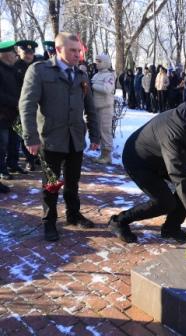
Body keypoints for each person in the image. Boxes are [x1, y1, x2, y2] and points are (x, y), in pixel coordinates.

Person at [19, 32, 100, 242]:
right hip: (50, 138)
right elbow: (26, 105)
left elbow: (91, 108)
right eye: (72, 50)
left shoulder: (81, 75)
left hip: (75, 138)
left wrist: (95, 134)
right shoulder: (39, 71)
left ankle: (73, 214)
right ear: (58, 49)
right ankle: (49, 221)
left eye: (79, 50)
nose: (77, 54)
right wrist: (31, 137)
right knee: (51, 184)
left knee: (73, 182)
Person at [108, 104, 186, 243]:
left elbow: (182, 172)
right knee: (165, 202)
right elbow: (179, 177)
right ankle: (119, 221)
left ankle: (171, 228)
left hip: (160, 155)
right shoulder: (175, 135)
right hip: (138, 160)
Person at [14, 40, 39, 172]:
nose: (28, 55)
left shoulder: (38, 67)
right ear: (19, 52)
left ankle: (33, 159)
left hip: (36, 106)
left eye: (31, 53)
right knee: (21, 134)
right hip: (17, 106)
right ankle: (24, 161)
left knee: (34, 133)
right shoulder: (14, 66)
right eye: (25, 52)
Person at [0, 40, 20, 193]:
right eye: (13, 53)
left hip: (12, 114)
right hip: (2, 115)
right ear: (5, 55)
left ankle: (9, 165)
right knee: (1, 145)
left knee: (11, 142)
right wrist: (16, 102)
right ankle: (2, 171)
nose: (16, 55)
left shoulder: (13, 69)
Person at [91, 54, 116, 164]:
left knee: (105, 131)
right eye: (96, 61)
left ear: (105, 62)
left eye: (99, 61)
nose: (97, 63)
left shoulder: (109, 75)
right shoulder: (96, 75)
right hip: (96, 106)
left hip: (105, 108)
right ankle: (102, 154)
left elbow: (107, 89)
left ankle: (107, 155)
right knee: (99, 131)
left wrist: (93, 85)